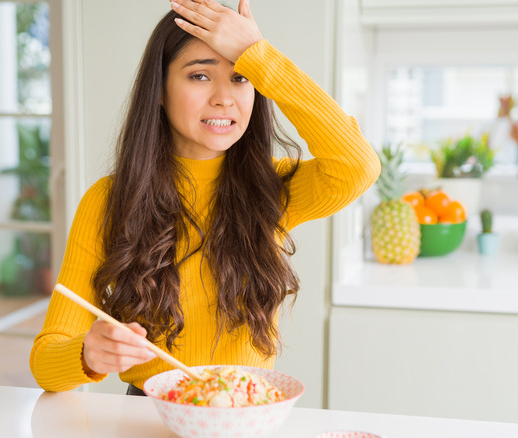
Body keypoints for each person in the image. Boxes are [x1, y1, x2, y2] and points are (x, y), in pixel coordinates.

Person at [30, 0, 380, 395]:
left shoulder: (275, 188)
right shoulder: (109, 201)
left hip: (246, 413)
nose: (224, 98)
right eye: (199, 76)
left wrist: (261, 58)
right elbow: (45, 363)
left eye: (241, 78)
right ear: (159, 91)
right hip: (149, 418)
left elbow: (358, 165)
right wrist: (88, 354)